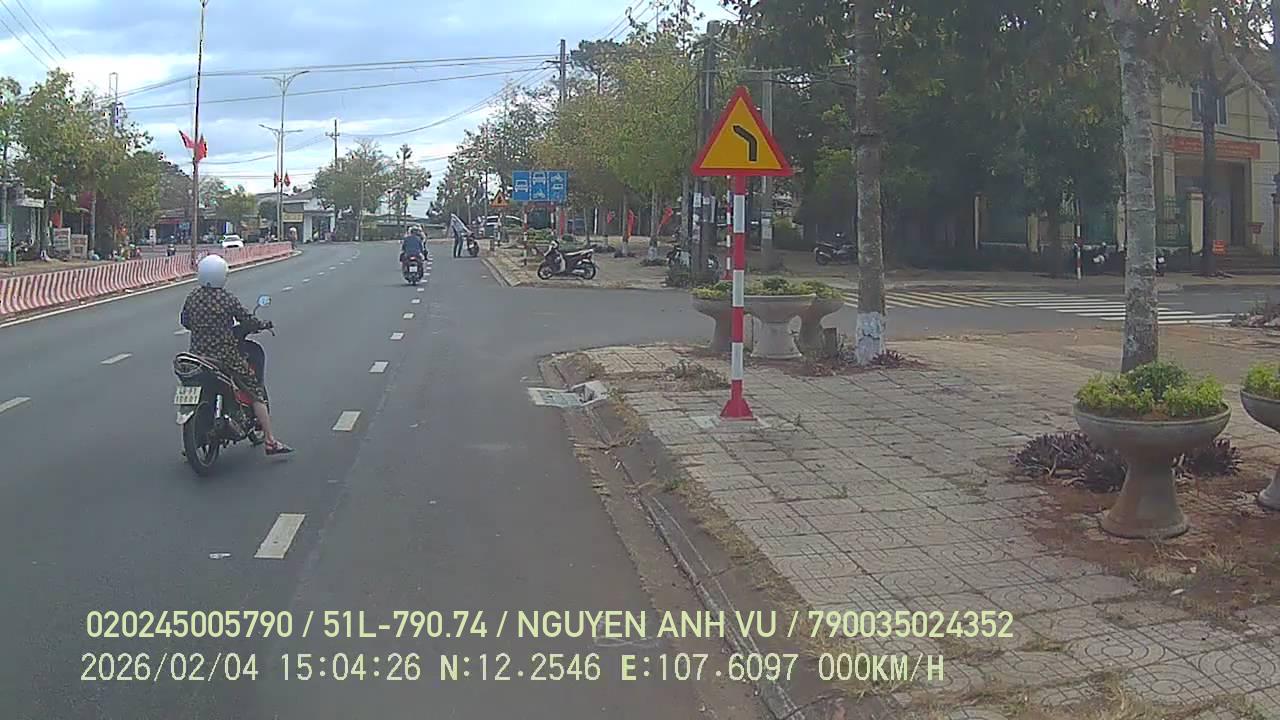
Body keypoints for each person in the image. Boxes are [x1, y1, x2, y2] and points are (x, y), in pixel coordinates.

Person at [180, 255, 293, 456]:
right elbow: (246, 319)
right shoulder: (226, 298)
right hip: (225, 356)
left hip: (197, 356)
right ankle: (270, 441)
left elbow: (185, 321)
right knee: (255, 390)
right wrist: (262, 324)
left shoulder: (192, 297)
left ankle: (192, 441)